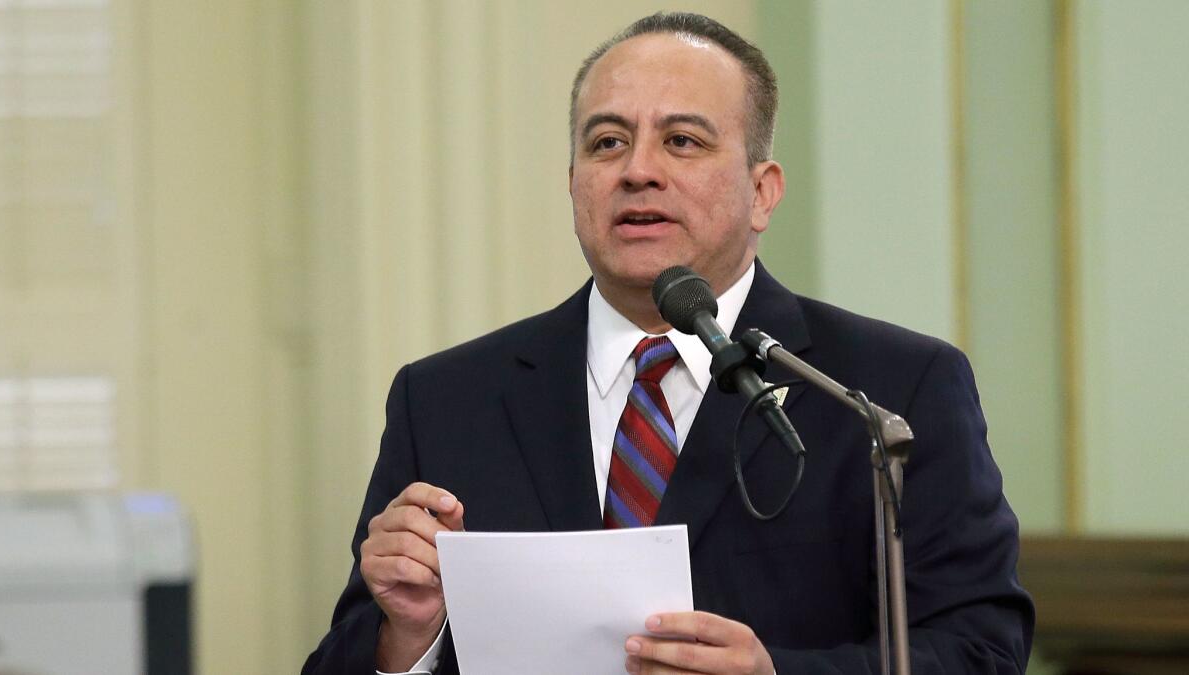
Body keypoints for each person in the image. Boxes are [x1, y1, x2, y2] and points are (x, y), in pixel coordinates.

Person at [302, 12, 1033, 675]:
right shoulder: (446, 399)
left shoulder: (883, 391)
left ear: (764, 191)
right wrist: (409, 637)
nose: (637, 169)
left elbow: (981, 648)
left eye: (681, 141)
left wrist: (775, 674)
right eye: (607, 142)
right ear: (574, 183)